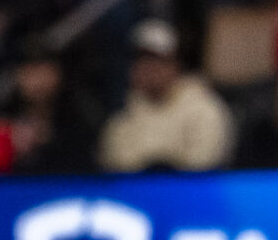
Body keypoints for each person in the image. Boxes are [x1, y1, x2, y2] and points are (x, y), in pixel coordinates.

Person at [97, 21, 234, 173]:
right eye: (141, 60)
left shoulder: (205, 108)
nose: (149, 68)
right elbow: (115, 167)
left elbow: (204, 166)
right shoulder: (122, 114)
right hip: (132, 195)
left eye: (157, 60)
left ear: (175, 65)